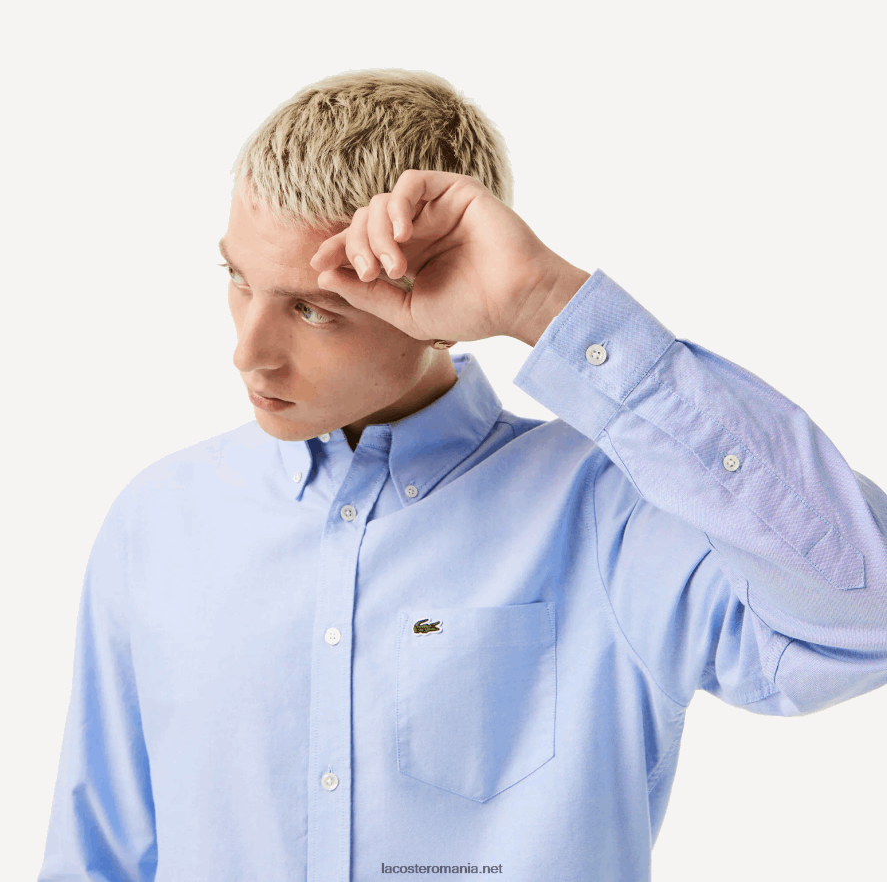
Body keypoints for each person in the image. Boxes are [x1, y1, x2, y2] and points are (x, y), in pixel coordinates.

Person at [37, 68, 887, 882]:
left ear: (435, 300)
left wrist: (543, 302)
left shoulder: (611, 513)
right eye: (237, 279)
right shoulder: (158, 519)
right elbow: (97, 856)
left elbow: (864, 617)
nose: (246, 352)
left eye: (311, 309)